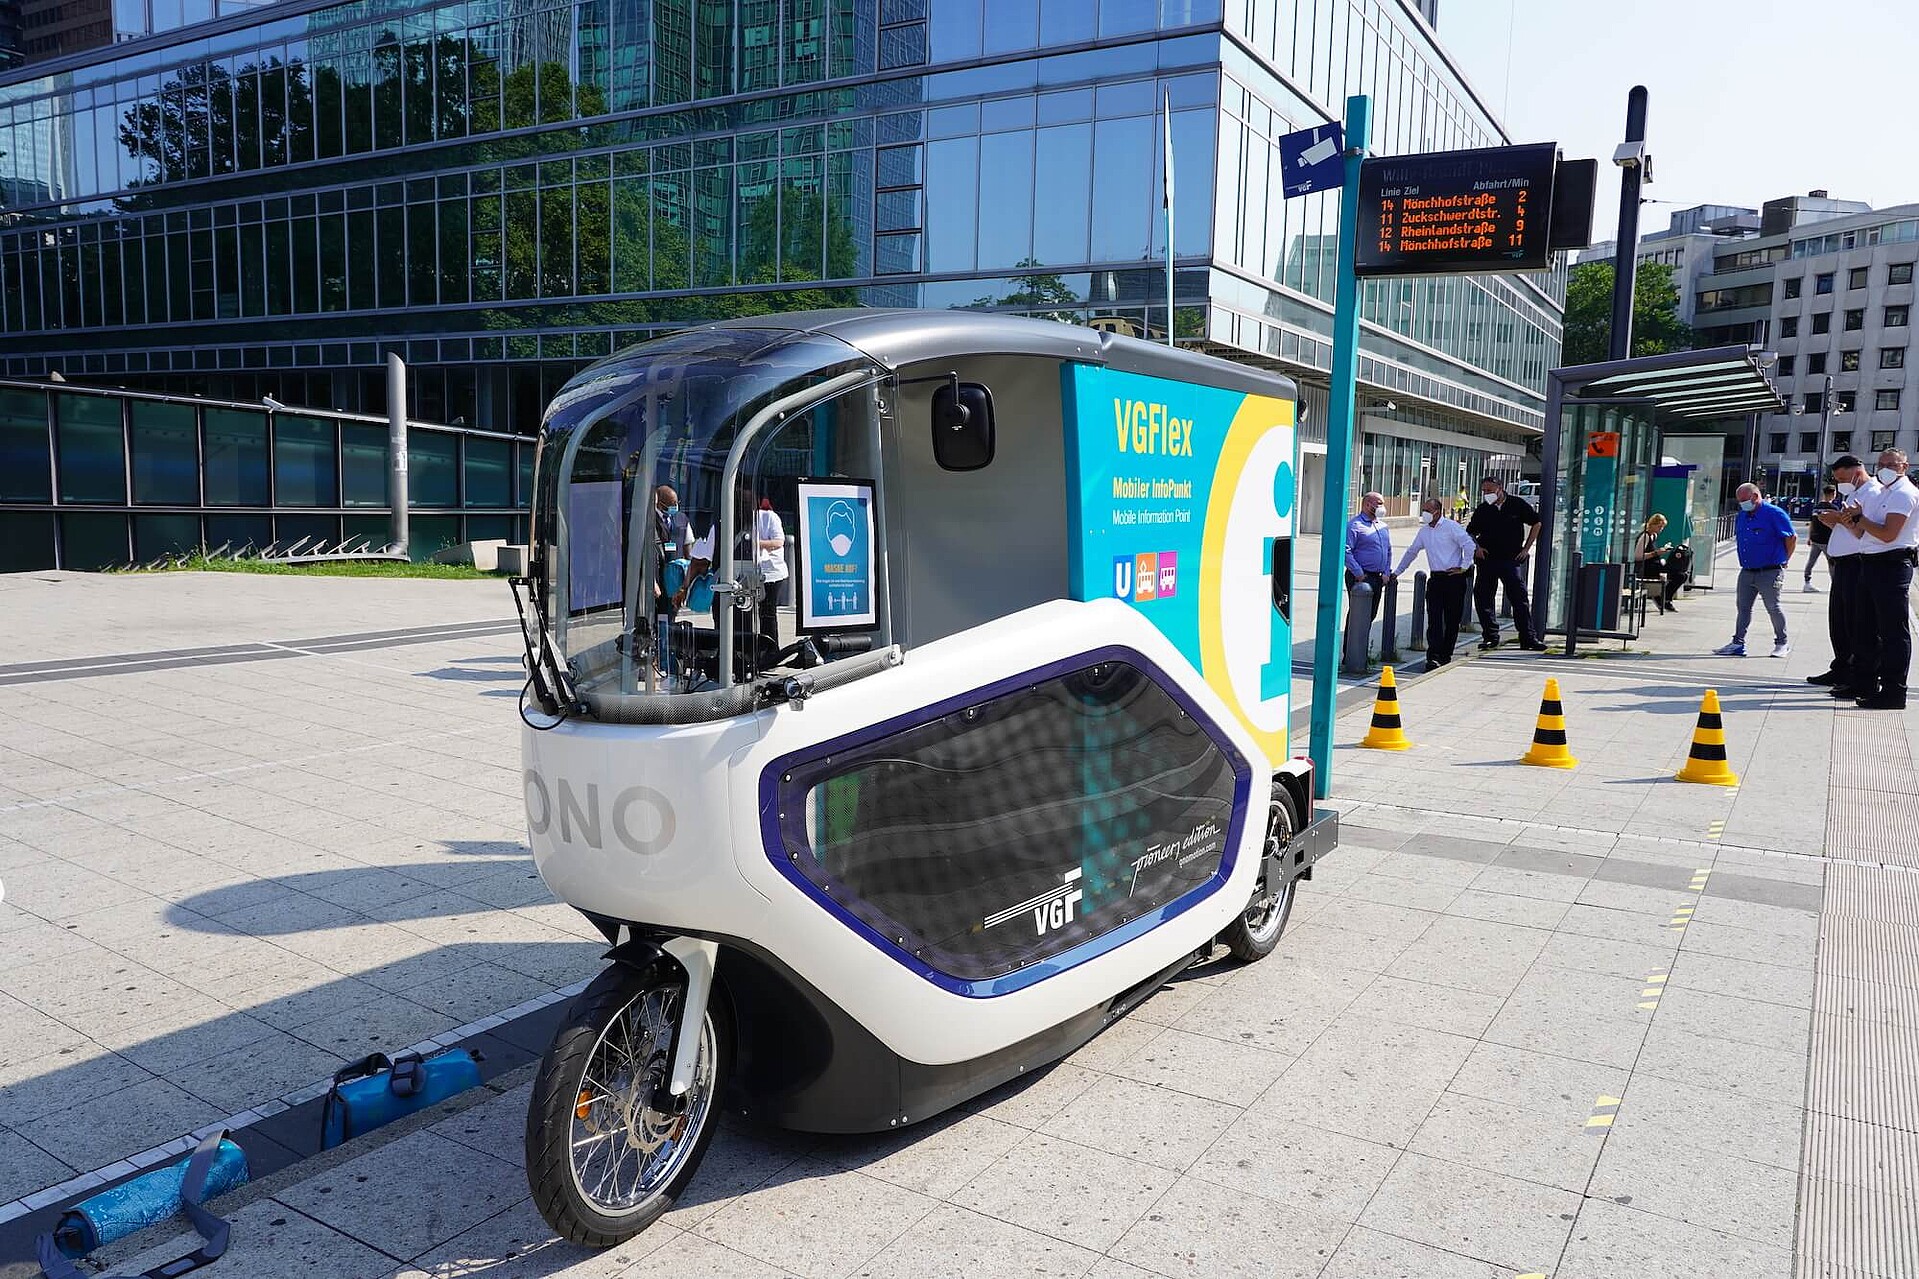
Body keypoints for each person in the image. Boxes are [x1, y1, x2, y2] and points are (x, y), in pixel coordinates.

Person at [1842, 448, 1919, 709]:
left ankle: (1894, 690)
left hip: (1892, 563)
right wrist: (1851, 521)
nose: (1885, 468)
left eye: (1892, 464)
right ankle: (1864, 681)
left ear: (1904, 467)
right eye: (1882, 463)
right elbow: (1863, 534)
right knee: (1865, 627)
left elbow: (1888, 534)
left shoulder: (1904, 494)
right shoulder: (1880, 493)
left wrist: (1859, 519)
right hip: (1870, 561)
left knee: (1892, 632)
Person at [1809, 456, 1882, 698]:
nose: (1840, 483)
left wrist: (1838, 519)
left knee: (1855, 622)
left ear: (1856, 472)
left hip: (1855, 563)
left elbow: (1862, 529)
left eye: (1842, 478)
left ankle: (1855, 672)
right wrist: (1833, 523)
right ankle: (1841, 666)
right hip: (1841, 562)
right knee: (1838, 621)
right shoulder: (1854, 494)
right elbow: (1850, 526)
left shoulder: (1872, 492)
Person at [1389, 497, 1476, 671]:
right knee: (1434, 619)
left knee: (1452, 619)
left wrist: (1464, 566)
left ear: (1437, 511)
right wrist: (1397, 572)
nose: (1425, 513)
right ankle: (1433, 656)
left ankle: (1446, 654)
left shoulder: (1451, 527)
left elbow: (1469, 545)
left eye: (1428, 510)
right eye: (1424, 509)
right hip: (1436, 579)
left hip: (1454, 578)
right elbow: (1412, 552)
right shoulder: (1424, 532)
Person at [1714, 482, 1796, 658]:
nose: (1742, 504)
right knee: (1743, 608)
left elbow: (1791, 537)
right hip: (1747, 570)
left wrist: (1785, 560)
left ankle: (1782, 642)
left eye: (1744, 500)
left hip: (1770, 569)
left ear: (1755, 496)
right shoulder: (1743, 515)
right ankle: (1738, 643)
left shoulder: (1774, 514)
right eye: (1740, 501)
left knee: (1773, 607)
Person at [1464, 475, 1544, 651]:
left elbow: (1536, 523)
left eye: (1490, 490)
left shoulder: (1517, 504)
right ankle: (1491, 636)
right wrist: (1476, 547)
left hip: (1511, 559)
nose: (1487, 494)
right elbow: (1469, 533)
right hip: (1487, 560)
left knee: (1519, 598)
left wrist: (1526, 548)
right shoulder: (1483, 509)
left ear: (1500, 488)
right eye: (1484, 491)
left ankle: (1528, 637)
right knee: (1483, 598)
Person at [1343, 490, 1393, 631]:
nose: (1382, 507)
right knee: (1358, 615)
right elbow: (1345, 551)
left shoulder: (1382, 526)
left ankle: (1362, 650)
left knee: (1371, 615)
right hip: (1361, 577)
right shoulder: (1355, 525)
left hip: (1378, 577)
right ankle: (1351, 652)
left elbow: (1388, 550)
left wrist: (1386, 572)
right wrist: (1358, 573)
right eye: (1379, 504)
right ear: (1367, 505)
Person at [1633, 513, 1691, 614]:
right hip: (1647, 568)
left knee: (1681, 572)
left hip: (1655, 565)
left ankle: (1664, 598)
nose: (1661, 529)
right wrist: (1657, 553)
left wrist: (1662, 552)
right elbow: (1638, 556)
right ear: (1653, 525)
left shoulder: (1653, 535)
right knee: (1680, 576)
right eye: (1660, 527)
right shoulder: (1645, 536)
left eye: (1662, 527)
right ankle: (1664, 598)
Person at [1803, 484, 1839, 592]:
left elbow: (1812, 523)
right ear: (1833, 494)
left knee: (1811, 561)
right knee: (1832, 563)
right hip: (1827, 540)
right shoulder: (1834, 509)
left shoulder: (1816, 508)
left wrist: (1809, 537)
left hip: (1815, 539)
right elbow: (1836, 525)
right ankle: (1835, 584)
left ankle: (1807, 582)